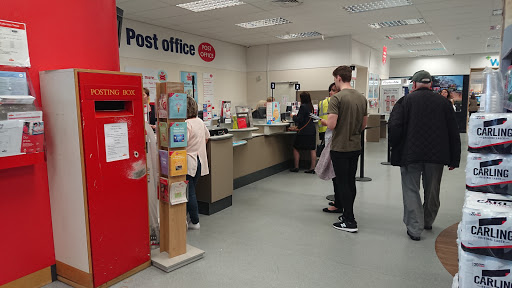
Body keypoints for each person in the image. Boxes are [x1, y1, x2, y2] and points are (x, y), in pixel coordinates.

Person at [389, 70, 461, 241]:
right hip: (437, 156)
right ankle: (428, 220)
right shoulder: (443, 103)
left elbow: (395, 128)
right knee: (432, 190)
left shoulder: (405, 101)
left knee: (411, 189)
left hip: (410, 154)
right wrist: (454, 158)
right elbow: (453, 131)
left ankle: (415, 228)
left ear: (413, 84)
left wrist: (395, 148)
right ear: (431, 85)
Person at [327, 66, 367, 233]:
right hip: (355, 146)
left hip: (340, 147)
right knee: (350, 181)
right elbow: (363, 124)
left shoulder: (336, 99)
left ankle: (349, 220)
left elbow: (331, 124)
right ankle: (347, 215)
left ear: (338, 78)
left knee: (342, 183)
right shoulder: (361, 97)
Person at [185, 96, 210, 230]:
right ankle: (190, 218)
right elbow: (207, 137)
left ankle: (195, 222)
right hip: (200, 161)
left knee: (190, 192)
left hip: (190, 162)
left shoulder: (187, 124)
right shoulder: (200, 121)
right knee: (192, 190)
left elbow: (181, 144)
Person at [319, 83, 342, 213]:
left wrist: (325, 122)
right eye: (331, 90)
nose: (331, 93)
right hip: (332, 141)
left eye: (334, 90)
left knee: (337, 175)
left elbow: (333, 124)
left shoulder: (338, 104)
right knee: (336, 175)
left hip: (336, 143)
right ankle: (338, 200)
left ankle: (339, 204)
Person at [143, 87, 159, 246]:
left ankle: (154, 230)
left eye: (144, 94)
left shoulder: (152, 109)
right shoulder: (139, 112)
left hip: (152, 144)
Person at [290, 92, 316, 173]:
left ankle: (296, 167)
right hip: (312, 130)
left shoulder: (303, 106)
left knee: (296, 147)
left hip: (304, 131)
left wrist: (293, 116)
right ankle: (312, 168)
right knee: (312, 149)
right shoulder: (311, 106)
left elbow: (299, 119)